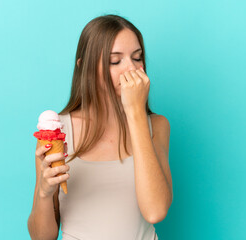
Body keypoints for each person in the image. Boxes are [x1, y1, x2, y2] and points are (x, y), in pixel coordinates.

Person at [27, 14, 173, 240]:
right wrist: (44, 193)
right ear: (84, 67)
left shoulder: (157, 126)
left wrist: (135, 113)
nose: (131, 69)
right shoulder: (58, 133)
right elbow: (41, 237)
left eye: (137, 58)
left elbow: (155, 211)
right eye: (115, 61)